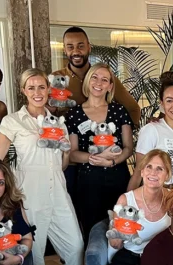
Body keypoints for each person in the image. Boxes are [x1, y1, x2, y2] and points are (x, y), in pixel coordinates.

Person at [0, 68, 84, 265]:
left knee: (76, 246)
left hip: (59, 196)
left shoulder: (58, 123)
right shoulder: (13, 121)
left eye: (42, 87)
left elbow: (61, 166)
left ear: (48, 90)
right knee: (36, 256)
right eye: (31, 87)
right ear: (23, 90)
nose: (37, 92)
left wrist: (66, 150)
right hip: (29, 199)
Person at [51, 26, 141, 200]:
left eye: (80, 46)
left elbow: (133, 108)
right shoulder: (57, 79)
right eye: (70, 46)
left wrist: (123, 134)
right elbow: (48, 111)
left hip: (112, 163)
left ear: (89, 47)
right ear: (64, 49)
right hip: (71, 160)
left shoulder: (106, 78)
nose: (75, 51)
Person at [66, 63, 134, 241]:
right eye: (95, 77)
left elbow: (128, 147)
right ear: (88, 81)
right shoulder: (74, 114)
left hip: (118, 177)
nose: (99, 82)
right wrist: (95, 158)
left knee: (120, 228)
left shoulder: (119, 111)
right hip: (88, 182)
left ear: (110, 86)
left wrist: (112, 161)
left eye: (105, 79)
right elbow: (72, 153)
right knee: (92, 231)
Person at [107, 150, 173, 265]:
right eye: (149, 167)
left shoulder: (172, 198)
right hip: (130, 256)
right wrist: (120, 228)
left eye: (159, 169)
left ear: (167, 175)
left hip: (160, 259)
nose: (153, 173)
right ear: (142, 171)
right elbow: (115, 244)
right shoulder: (125, 200)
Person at [128, 72, 173, 190]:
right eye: (169, 100)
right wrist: (128, 204)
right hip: (154, 192)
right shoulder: (151, 130)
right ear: (162, 104)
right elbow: (138, 173)